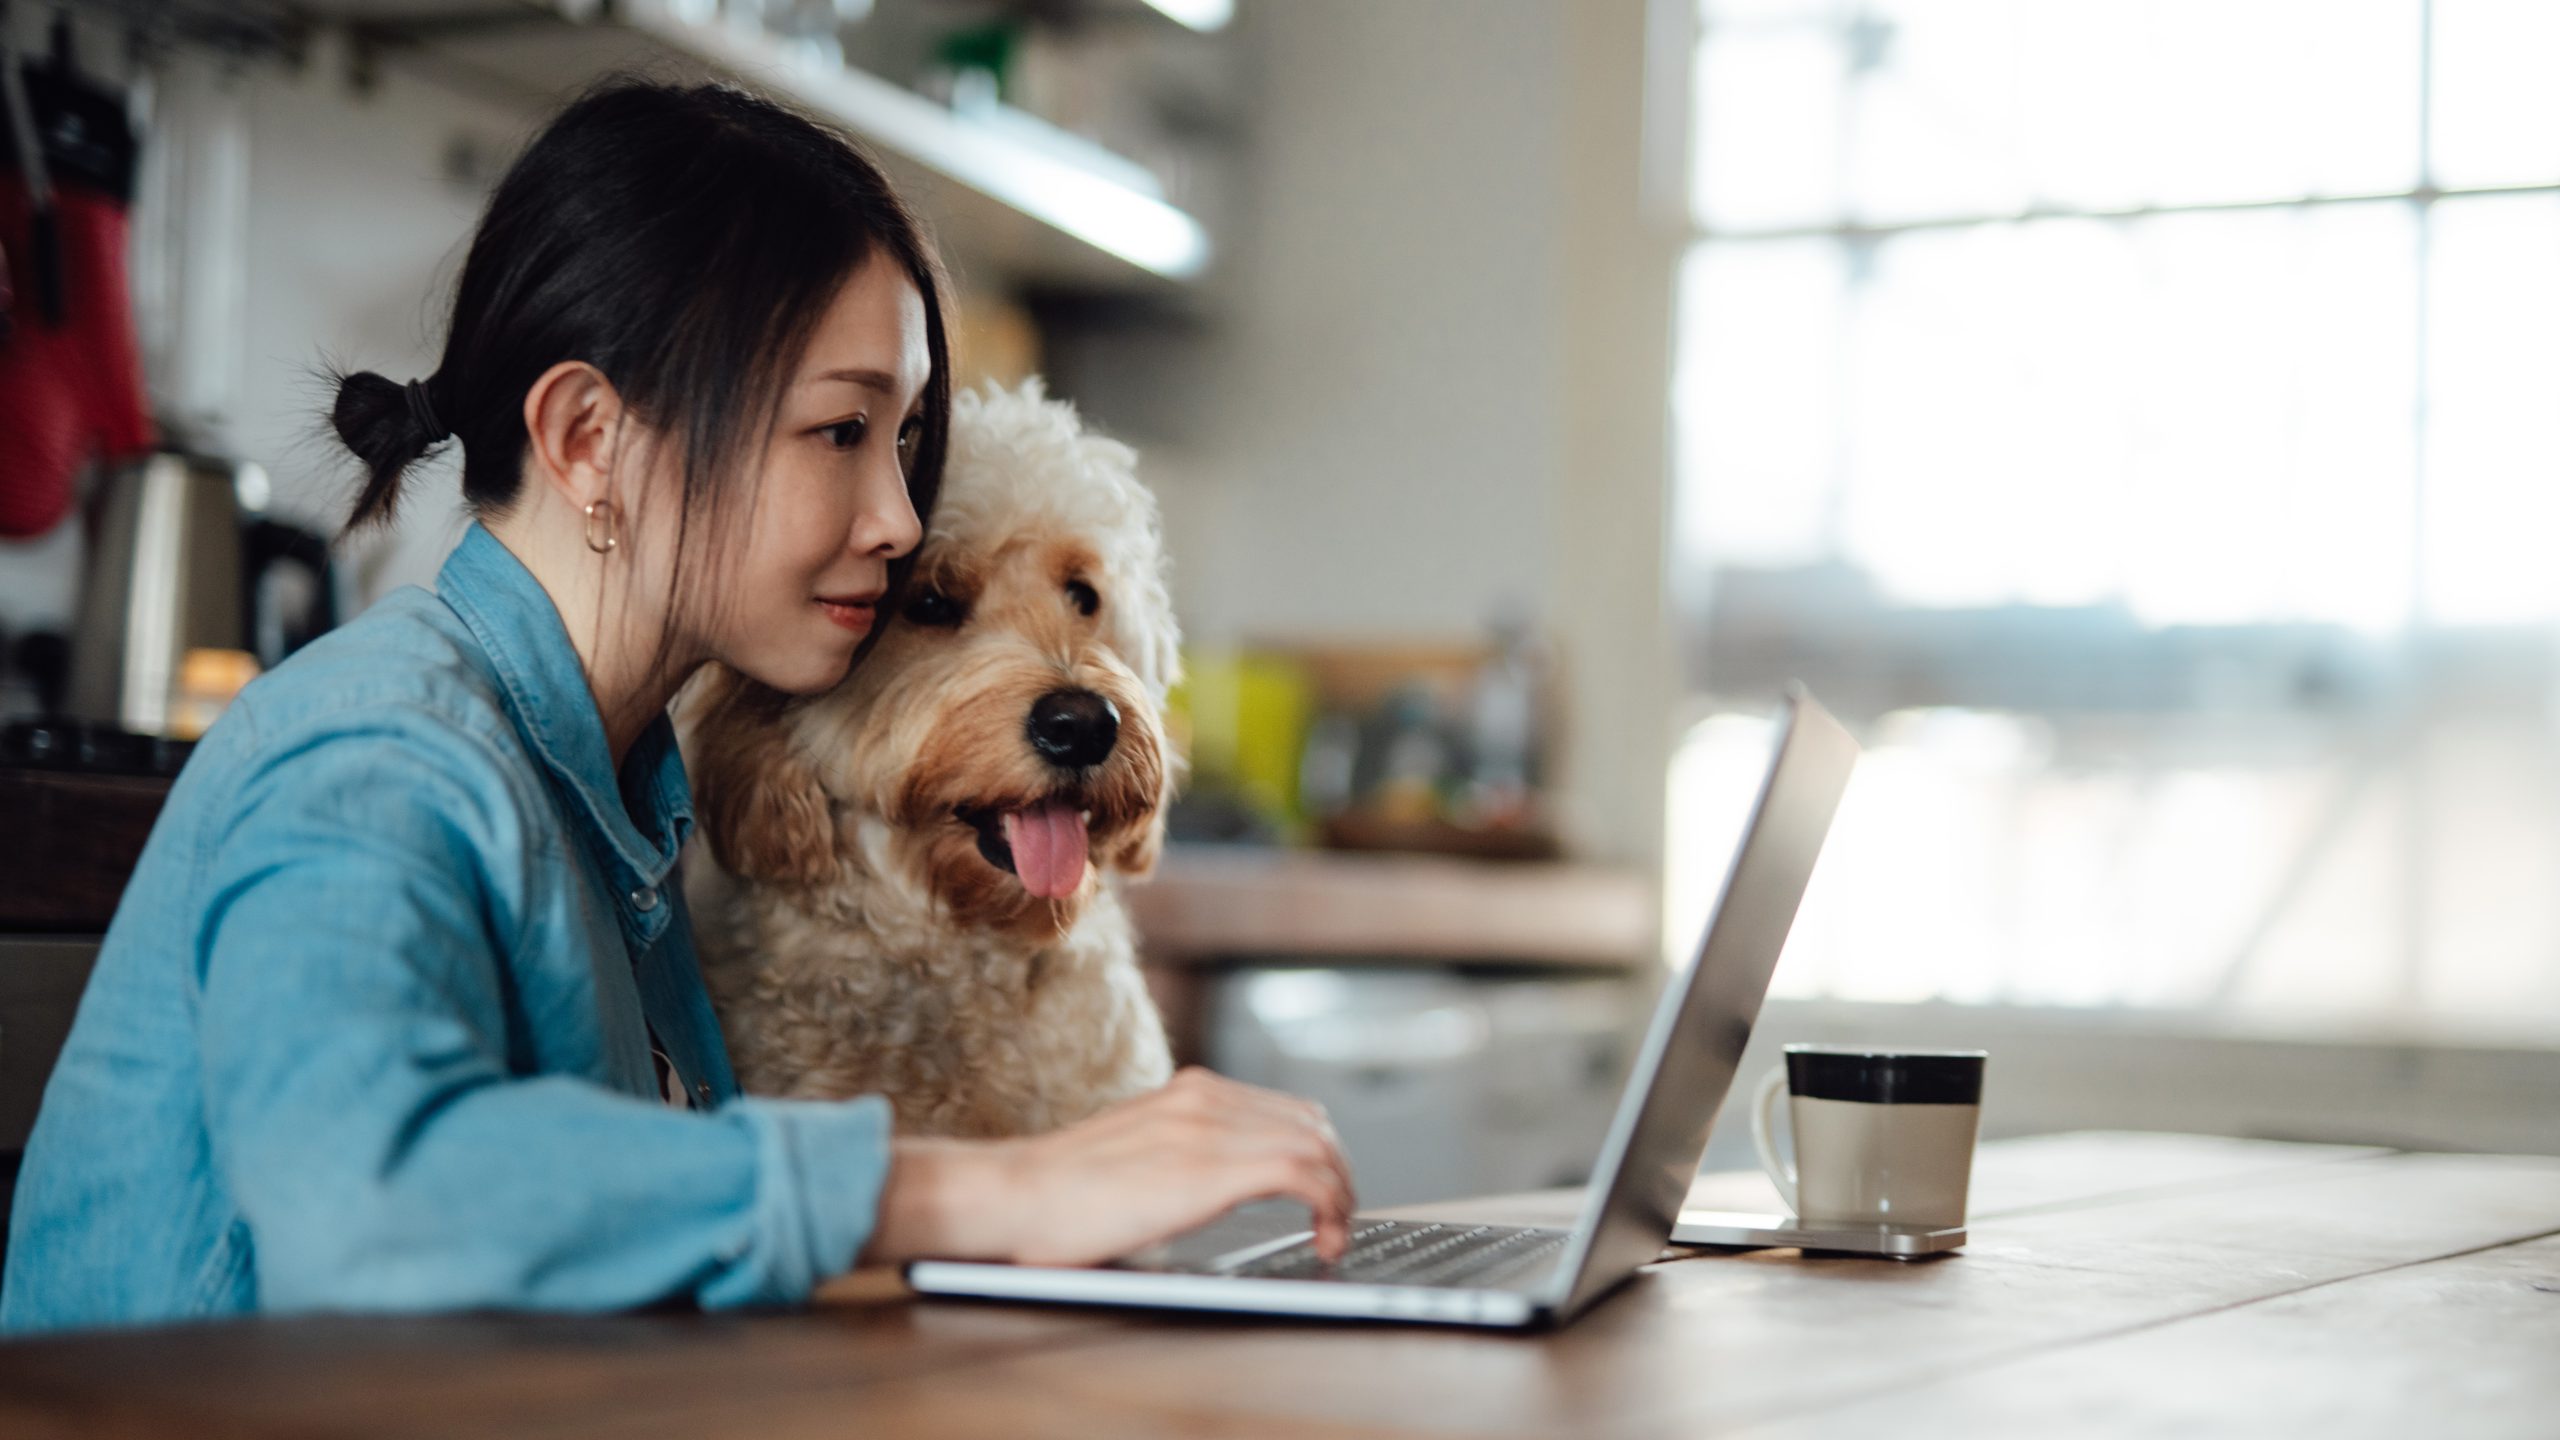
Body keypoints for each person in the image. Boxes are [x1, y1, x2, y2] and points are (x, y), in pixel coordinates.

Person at [1, 81, 1352, 1334]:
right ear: (590, 439)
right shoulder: (378, 756)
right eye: (840, 433)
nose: (894, 517)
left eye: (904, 441)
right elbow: (366, 1199)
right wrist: (986, 1192)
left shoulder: (619, 788)